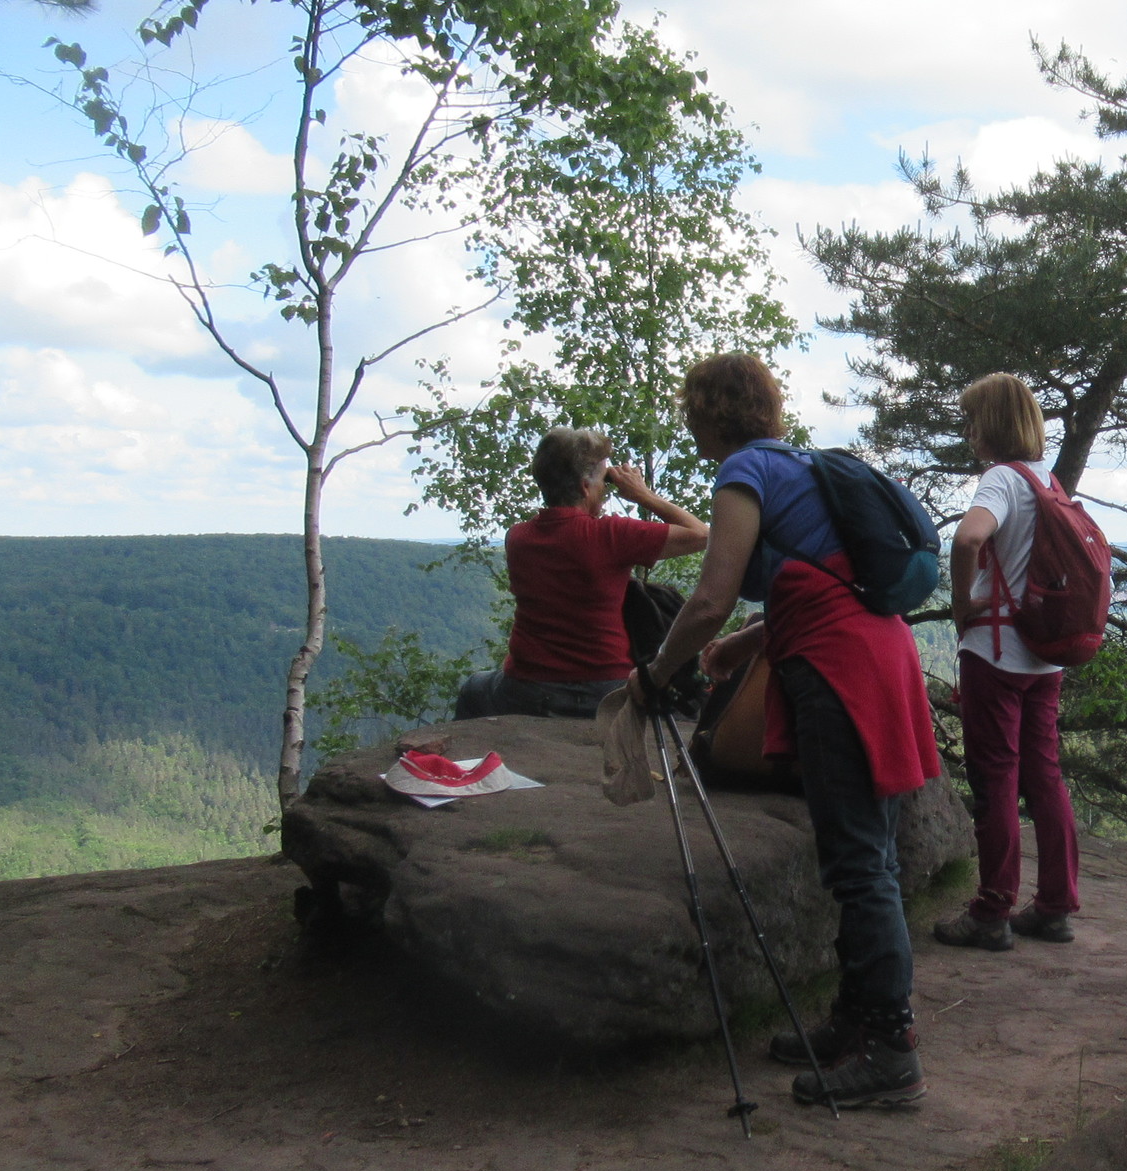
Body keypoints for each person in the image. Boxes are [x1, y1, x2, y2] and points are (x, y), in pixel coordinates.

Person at [629, 354, 941, 1109]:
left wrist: (655, 674)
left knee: (859, 863)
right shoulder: (801, 465)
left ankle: (891, 1052)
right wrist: (749, 643)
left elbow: (710, 596)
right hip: (877, 653)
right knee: (866, 852)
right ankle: (856, 1021)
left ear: (708, 415)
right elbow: (824, 579)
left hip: (837, 670)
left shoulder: (744, 472)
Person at [933, 373, 1080, 953]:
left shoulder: (1000, 478)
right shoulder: (1048, 480)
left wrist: (960, 603)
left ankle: (991, 912)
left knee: (995, 778)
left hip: (996, 653)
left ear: (990, 424)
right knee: (1044, 775)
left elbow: (968, 539)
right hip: (1044, 655)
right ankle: (1054, 907)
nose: (968, 432)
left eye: (972, 420)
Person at [456, 427, 707, 720]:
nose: (605, 491)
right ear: (585, 486)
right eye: (603, 481)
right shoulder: (611, 535)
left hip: (526, 689)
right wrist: (642, 494)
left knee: (474, 687)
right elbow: (701, 534)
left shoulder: (517, 537)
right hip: (606, 689)